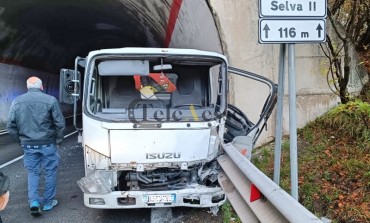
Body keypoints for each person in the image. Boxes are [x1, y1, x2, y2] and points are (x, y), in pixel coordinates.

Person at [6, 76, 65, 216]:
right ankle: (49, 202)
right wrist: (58, 140)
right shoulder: (50, 100)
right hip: (48, 143)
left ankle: (34, 202)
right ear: (42, 86)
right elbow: (60, 123)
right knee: (50, 171)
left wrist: (20, 141)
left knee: (33, 172)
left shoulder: (17, 101)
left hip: (28, 145)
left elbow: (10, 126)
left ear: (27, 87)